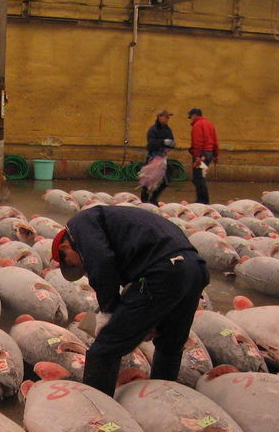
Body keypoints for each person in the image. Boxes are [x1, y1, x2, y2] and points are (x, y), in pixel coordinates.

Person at [51, 205, 209, 395]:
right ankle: (163, 401)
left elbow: (101, 263)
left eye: (74, 263)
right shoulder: (114, 222)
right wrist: (149, 321)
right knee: (169, 345)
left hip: (164, 270)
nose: (83, 268)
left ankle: (97, 410)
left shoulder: (80, 223)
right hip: (194, 270)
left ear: (64, 247)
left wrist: (109, 311)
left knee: (105, 349)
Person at [142, 110, 175, 205]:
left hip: (163, 158)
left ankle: (154, 198)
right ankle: (144, 200)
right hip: (153, 158)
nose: (167, 119)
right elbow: (150, 144)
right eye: (166, 117)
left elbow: (171, 141)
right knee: (149, 180)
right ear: (159, 117)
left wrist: (171, 144)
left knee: (166, 179)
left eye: (168, 117)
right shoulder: (153, 130)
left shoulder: (168, 130)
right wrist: (162, 142)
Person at [188, 108, 219, 204]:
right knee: (201, 176)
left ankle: (202, 200)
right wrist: (216, 155)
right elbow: (215, 140)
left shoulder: (197, 125)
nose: (191, 119)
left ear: (194, 115)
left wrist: (197, 156)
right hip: (209, 154)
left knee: (198, 178)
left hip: (201, 155)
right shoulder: (210, 124)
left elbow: (197, 142)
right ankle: (202, 199)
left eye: (191, 117)